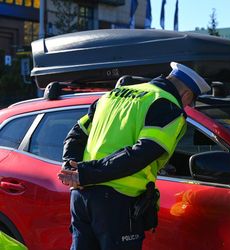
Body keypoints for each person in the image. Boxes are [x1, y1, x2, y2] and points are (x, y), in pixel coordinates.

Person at [58, 62, 211, 250]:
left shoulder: (113, 95)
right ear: (186, 95)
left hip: (81, 195)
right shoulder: (166, 105)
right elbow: (143, 153)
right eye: (189, 102)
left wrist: (72, 167)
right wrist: (84, 173)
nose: (187, 106)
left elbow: (76, 133)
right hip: (118, 200)